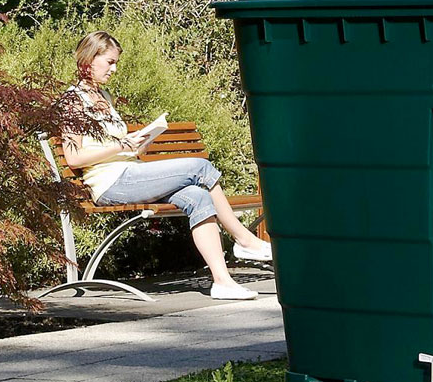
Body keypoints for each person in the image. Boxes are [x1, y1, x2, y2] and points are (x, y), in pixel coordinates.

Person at [55, 31, 272, 300]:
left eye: (115, 62)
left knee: (198, 195)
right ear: (90, 59)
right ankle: (244, 240)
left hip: (130, 172)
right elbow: (74, 157)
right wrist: (121, 146)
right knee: (199, 167)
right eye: (110, 62)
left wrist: (139, 143)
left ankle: (223, 282)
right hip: (111, 182)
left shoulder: (105, 97)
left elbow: (114, 146)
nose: (114, 68)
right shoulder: (73, 101)